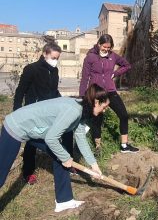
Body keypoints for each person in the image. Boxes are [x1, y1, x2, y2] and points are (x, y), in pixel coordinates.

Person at [0, 84, 108, 212]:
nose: (105, 110)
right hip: (16, 126)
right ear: (96, 102)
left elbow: (80, 138)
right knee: (1, 171)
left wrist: (94, 165)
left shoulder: (82, 108)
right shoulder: (73, 111)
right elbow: (51, 138)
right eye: (104, 106)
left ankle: (64, 200)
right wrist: (65, 157)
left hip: (34, 130)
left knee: (60, 155)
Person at [13, 42, 74, 185]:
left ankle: (68, 163)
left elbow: (53, 91)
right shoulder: (31, 69)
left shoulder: (54, 70)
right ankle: (28, 172)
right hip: (34, 112)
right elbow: (20, 91)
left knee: (67, 131)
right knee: (32, 142)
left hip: (51, 111)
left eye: (57, 58)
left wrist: (64, 102)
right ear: (45, 54)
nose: (55, 61)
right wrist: (17, 111)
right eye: (53, 57)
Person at [79, 34, 139, 153]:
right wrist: (82, 95)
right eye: (104, 47)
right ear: (99, 44)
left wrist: (115, 73)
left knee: (124, 115)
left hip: (110, 91)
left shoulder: (113, 56)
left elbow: (127, 65)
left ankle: (124, 145)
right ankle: (98, 146)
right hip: (96, 93)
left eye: (109, 47)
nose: (106, 49)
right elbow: (85, 77)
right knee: (97, 118)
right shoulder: (90, 57)